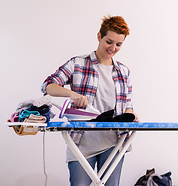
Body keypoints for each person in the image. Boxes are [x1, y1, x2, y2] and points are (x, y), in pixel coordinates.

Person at [41, 15, 139, 186]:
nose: (113, 48)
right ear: (99, 36)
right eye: (109, 41)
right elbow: (48, 85)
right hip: (82, 142)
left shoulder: (124, 72)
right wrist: (72, 95)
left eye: (118, 44)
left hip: (114, 143)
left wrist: (131, 115)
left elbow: (128, 107)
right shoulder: (77, 64)